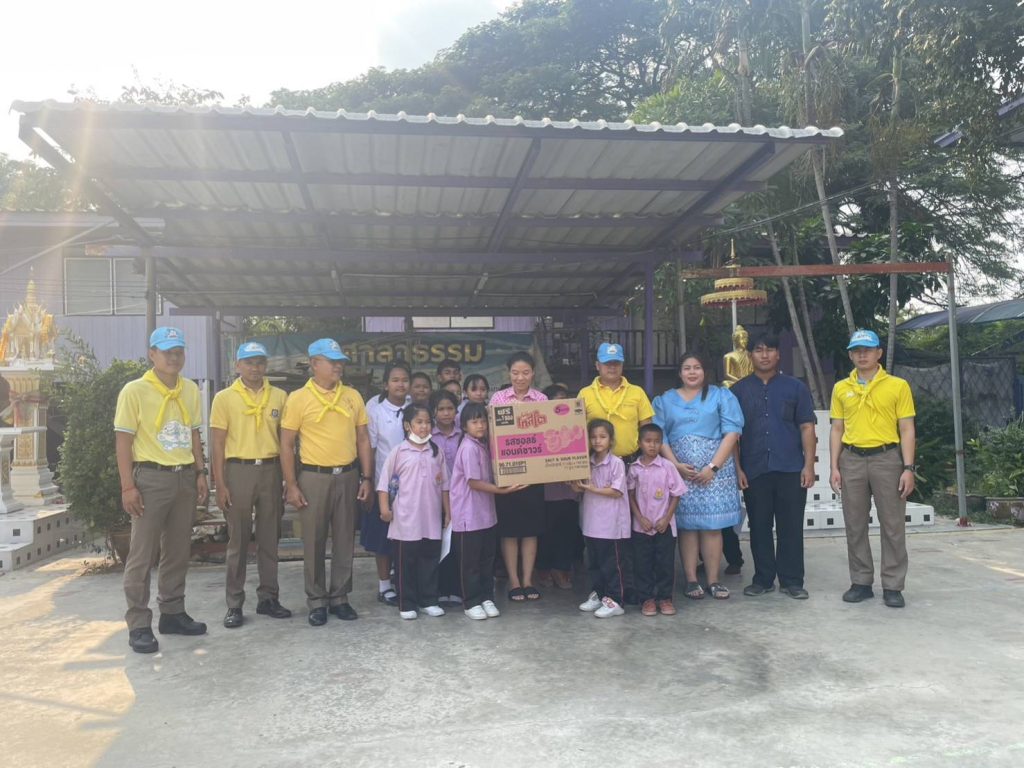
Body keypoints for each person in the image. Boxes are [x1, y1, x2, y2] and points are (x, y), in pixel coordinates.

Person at [114, 327, 208, 654]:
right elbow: (123, 441)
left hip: (184, 477)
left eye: (178, 351)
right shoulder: (135, 391)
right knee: (142, 553)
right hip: (150, 478)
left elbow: (193, 434)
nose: (173, 357)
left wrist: (200, 472)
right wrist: (128, 486)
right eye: (167, 351)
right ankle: (139, 623)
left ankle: (172, 612)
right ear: (152, 354)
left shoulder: (190, 390)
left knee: (178, 550)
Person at [280, 339, 373, 626]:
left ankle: (340, 597)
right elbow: (286, 444)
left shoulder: (352, 396)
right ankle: (317, 600)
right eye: (332, 361)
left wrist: (367, 477)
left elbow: (363, 439)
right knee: (314, 540)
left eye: (340, 361)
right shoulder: (298, 398)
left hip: (348, 475)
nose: (338, 366)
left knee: (345, 539)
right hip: (313, 476)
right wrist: (291, 484)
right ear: (314, 364)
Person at [829, 329, 916, 609]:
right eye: (856, 351)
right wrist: (834, 466)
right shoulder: (841, 387)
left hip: (887, 458)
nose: (862, 355)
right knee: (854, 524)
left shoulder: (897, 385)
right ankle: (861, 582)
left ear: (879, 353)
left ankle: (893, 585)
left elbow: (907, 428)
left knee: (892, 524)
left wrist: (908, 467)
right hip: (852, 459)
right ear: (850, 355)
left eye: (867, 350)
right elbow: (837, 428)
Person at [210, 341, 292, 629]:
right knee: (238, 540)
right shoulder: (224, 398)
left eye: (260, 362)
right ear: (238, 366)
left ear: (266, 365)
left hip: (270, 470)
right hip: (238, 470)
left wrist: (288, 478)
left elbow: (286, 441)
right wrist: (220, 484)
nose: (255, 368)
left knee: (270, 538)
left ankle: (269, 597)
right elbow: (217, 444)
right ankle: (234, 603)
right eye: (249, 362)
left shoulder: (280, 396)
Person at [731, 333, 816, 600]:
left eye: (769, 349)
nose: (764, 354)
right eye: (759, 350)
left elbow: (807, 427)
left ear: (778, 354)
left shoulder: (796, 388)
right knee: (759, 526)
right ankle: (763, 579)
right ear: (751, 355)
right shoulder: (738, 391)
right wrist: (737, 469)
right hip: (754, 468)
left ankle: (792, 581)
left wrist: (809, 466)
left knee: (791, 526)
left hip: (790, 467)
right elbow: (732, 434)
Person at [653, 353, 744, 601]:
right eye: (687, 368)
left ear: (705, 371)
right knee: (687, 527)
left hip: (715, 474)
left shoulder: (721, 396)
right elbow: (660, 436)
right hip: (681, 473)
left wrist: (713, 467)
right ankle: (691, 579)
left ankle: (713, 580)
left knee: (712, 527)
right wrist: (675, 466)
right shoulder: (665, 400)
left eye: (697, 367)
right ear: (679, 373)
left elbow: (732, 432)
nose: (692, 372)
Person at [449, 403, 525, 620]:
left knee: (486, 559)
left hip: (486, 514)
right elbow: (474, 482)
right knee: (470, 562)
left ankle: (486, 597)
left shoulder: (483, 445)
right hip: (469, 515)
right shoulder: (468, 448)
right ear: (464, 426)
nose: (480, 425)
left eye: (483, 421)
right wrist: (502, 491)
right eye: (474, 422)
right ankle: (471, 601)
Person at [377, 404, 451, 620]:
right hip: (405, 520)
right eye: (419, 422)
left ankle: (429, 600)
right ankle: (407, 603)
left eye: (427, 422)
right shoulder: (399, 452)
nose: (424, 426)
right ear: (407, 425)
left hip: (430, 518)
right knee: (405, 563)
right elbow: (384, 484)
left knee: (429, 560)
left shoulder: (436, 452)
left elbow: (445, 486)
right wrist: (384, 509)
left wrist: (448, 513)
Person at [489, 351, 548, 601]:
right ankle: (514, 581)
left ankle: (528, 580)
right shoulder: (498, 399)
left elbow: (547, 435)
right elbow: (492, 435)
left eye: (525, 373)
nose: (520, 378)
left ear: (533, 373)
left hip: (534, 475)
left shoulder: (542, 400)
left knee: (530, 530)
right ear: (508, 373)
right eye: (515, 373)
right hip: (508, 475)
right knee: (510, 530)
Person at [363, 360, 412, 607]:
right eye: (395, 380)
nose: (400, 384)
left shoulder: (415, 407)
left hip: (414, 485)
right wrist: (369, 481)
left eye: (404, 380)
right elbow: (370, 449)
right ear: (385, 384)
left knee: (409, 537)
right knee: (383, 538)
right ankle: (384, 586)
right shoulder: (375, 410)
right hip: (385, 486)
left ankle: (405, 582)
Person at [574, 419, 631, 618]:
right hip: (591, 522)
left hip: (611, 525)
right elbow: (580, 489)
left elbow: (616, 491)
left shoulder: (616, 463)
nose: (597, 441)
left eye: (602, 437)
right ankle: (599, 594)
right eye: (593, 437)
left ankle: (615, 601)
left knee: (611, 565)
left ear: (611, 440)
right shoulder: (586, 462)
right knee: (594, 563)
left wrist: (591, 488)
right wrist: (575, 484)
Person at [628, 423, 687, 616]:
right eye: (648, 441)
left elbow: (677, 494)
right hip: (641, 526)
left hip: (664, 526)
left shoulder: (668, 467)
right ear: (639, 443)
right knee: (642, 564)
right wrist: (639, 518)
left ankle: (665, 598)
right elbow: (630, 495)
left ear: (661, 444)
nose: (652, 445)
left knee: (665, 564)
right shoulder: (634, 469)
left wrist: (666, 518)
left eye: (656, 442)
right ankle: (647, 599)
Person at [536, 382, 582, 590]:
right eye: (556, 401)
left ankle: (561, 569)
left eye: (564, 400)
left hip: (569, 491)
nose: (560, 405)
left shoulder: (575, 424)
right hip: (546, 491)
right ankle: (544, 569)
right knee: (546, 533)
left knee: (567, 531)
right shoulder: (538, 426)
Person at [578, 342, 654, 461]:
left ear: (622, 365)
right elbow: (577, 429)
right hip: (596, 463)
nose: (612, 367)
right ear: (597, 365)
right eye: (607, 363)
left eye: (616, 363)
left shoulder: (637, 392)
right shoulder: (584, 394)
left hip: (630, 462)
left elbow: (647, 428)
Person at [431, 389, 463, 604]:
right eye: (441, 409)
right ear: (433, 412)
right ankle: (439, 589)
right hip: (434, 497)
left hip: (461, 496)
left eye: (450, 408)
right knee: (436, 543)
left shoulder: (463, 434)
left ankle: (455, 588)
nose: (445, 413)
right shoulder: (428, 436)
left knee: (457, 543)